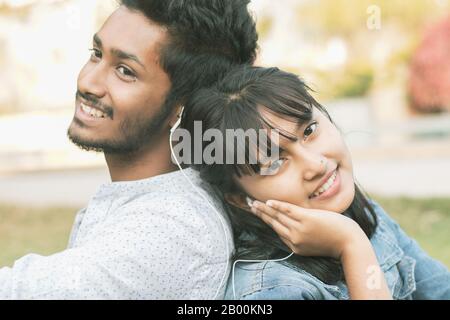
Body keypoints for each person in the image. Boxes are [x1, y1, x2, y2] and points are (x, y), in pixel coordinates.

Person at [0, 0, 258, 299]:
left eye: (125, 71)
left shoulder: (171, 229)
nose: (88, 82)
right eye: (96, 54)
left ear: (183, 106)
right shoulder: (153, 201)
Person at [179, 66, 450, 300]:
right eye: (274, 163)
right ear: (240, 199)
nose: (315, 165)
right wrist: (352, 245)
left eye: (309, 131)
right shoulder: (273, 290)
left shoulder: (357, 211)